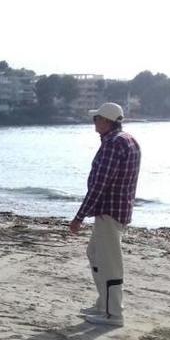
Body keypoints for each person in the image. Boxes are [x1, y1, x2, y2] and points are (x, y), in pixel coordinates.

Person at [70, 102, 141, 327]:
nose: (94, 122)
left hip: (109, 209)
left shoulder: (113, 144)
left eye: (96, 119)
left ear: (106, 121)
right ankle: (104, 304)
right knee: (95, 254)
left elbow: (100, 184)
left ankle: (113, 314)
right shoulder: (128, 140)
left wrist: (79, 217)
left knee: (109, 262)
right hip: (117, 208)